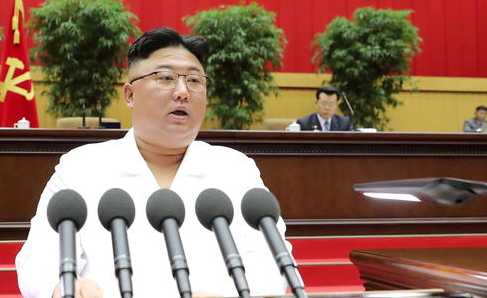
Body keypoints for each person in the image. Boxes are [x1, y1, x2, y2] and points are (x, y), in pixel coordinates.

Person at [16, 27, 290, 298]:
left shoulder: (235, 168)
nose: (183, 91)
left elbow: (271, 260)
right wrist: (60, 288)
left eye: (195, 81)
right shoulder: (82, 166)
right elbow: (40, 257)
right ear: (130, 95)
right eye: (166, 78)